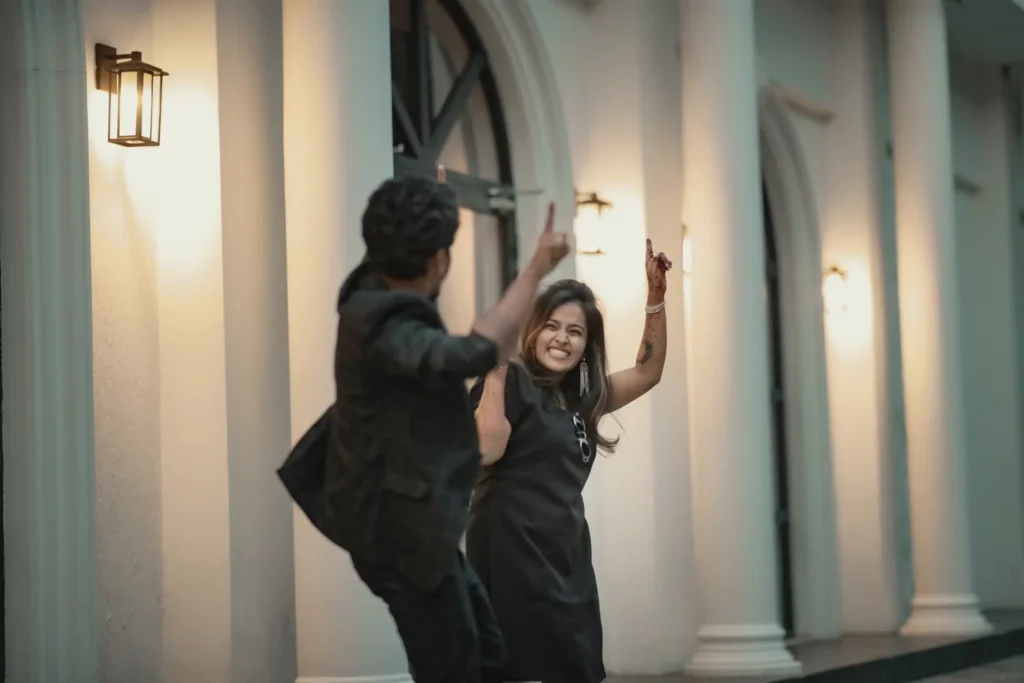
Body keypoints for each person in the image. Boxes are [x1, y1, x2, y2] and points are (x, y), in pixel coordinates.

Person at [316, 173, 570, 683]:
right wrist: (537, 269)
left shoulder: (372, 289)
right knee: (454, 668)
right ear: (439, 259)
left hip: (419, 525)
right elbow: (476, 352)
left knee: (489, 657)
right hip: (399, 534)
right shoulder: (382, 321)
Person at [468, 239, 672, 683]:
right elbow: (487, 449)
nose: (562, 338)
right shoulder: (512, 380)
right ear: (534, 331)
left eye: (575, 331)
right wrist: (496, 364)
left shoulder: (585, 396)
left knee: (576, 665)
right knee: (513, 668)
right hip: (509, 551)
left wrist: (655, 298)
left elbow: (647, 372)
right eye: (552, 326)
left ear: (586, 345)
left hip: (565, 553)